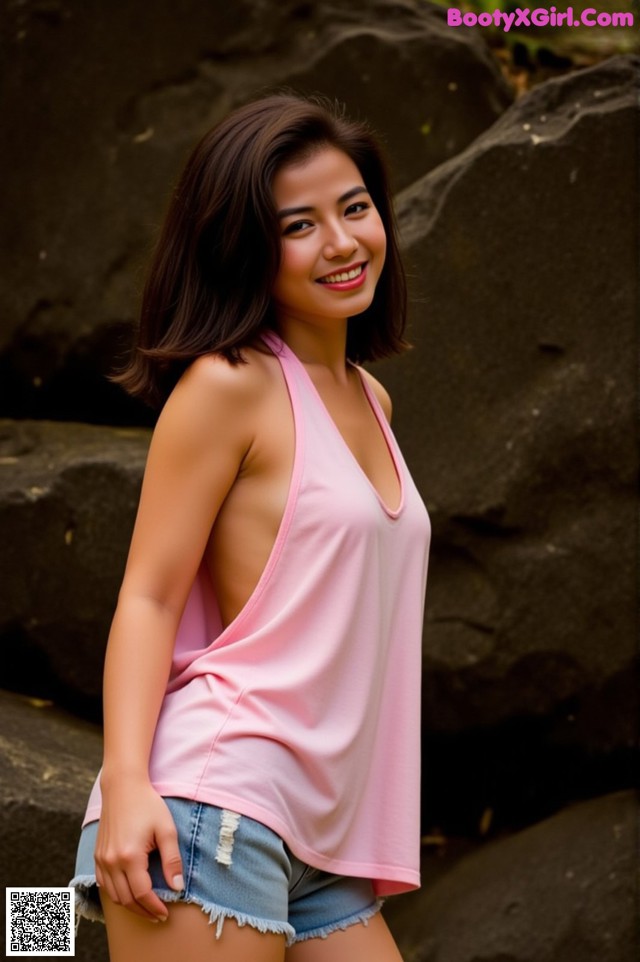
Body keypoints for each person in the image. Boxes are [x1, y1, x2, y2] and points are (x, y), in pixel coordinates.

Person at [69, 92, 431, 962]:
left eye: (354, 208)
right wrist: (124, 787)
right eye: (298, 225)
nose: (342, 243)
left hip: (325, 839)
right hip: (214, 806)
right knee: (31, 934)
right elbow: (149, 597)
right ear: (245, 248)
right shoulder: (227, 387)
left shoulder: (371, 399)